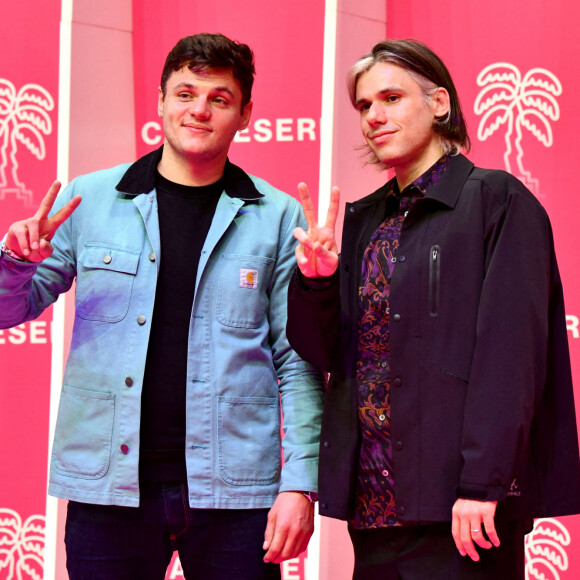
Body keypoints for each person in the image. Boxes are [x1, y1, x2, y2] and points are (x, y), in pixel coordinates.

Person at [0, 33, 324, 580]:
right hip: (109, 492)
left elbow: (296, 359)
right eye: (185, 93)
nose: (198, 110)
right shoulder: (90, 200)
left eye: (219, 99)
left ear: (245, 113)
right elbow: (11, 311)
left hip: (237, 494)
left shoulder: (277, 214)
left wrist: (300, 484)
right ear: (160, 100)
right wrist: (14, 261)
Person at [286, 39, 580, 579]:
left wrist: (482, 485)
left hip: (463, 510)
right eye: (364, 106)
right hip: (375, 510)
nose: (375, 116)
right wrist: (316, 284)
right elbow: (323, 352)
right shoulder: (366, 219)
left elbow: (510, 356)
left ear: (440, 103)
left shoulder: (498, 200)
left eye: (391, 98)